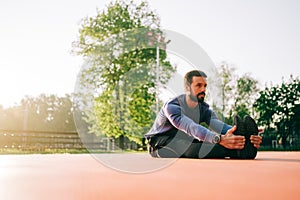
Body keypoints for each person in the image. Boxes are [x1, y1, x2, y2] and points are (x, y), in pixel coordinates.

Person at [145, 70, 263, 159]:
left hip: (187, 138)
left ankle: (240, 147)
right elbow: (191, 127)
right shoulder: (172, 107)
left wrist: (238, 133)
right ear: (187, 87)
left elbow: (218, 125)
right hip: (160, 143)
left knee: (205, 145)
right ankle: (236, 150)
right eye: (198, 85)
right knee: (189, 148)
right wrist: (220, 139)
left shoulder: (204, 109)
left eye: (205, 86)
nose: (203, 89)